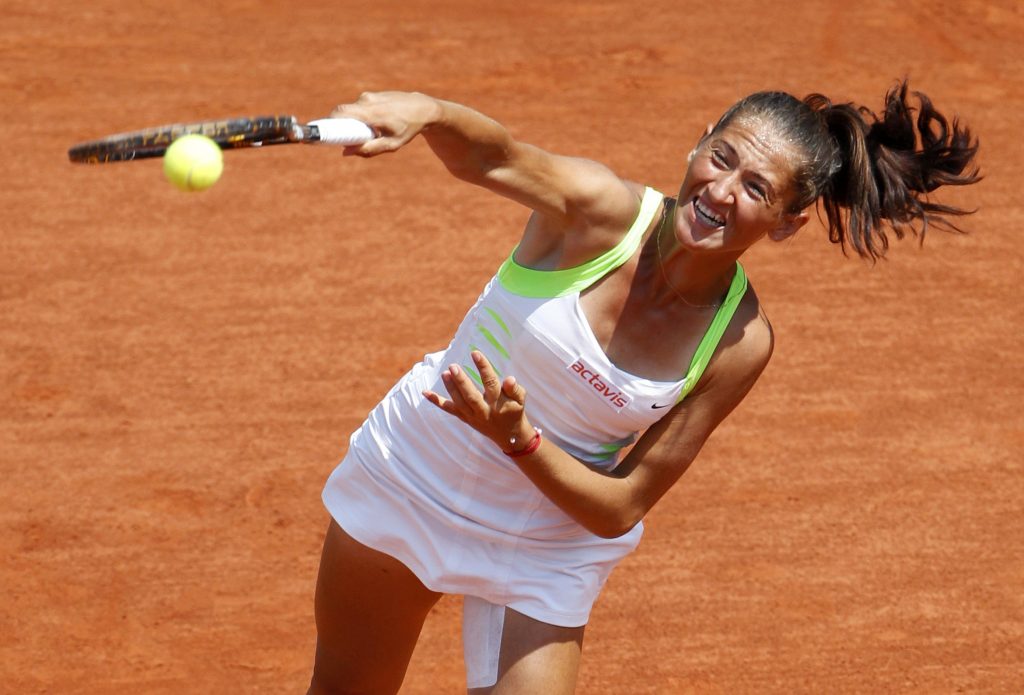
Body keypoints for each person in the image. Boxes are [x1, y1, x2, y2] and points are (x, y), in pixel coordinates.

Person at [307, 82, 980, 694]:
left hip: (548, 533)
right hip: (419, 470)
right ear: (697, 141)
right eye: (721, 158)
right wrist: (429, 112)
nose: (720, 192)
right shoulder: (599, 209)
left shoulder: (739, 343)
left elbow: (620, 505)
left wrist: (520, 438)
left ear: (788, 222)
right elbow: (496, 156)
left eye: (756, 189)